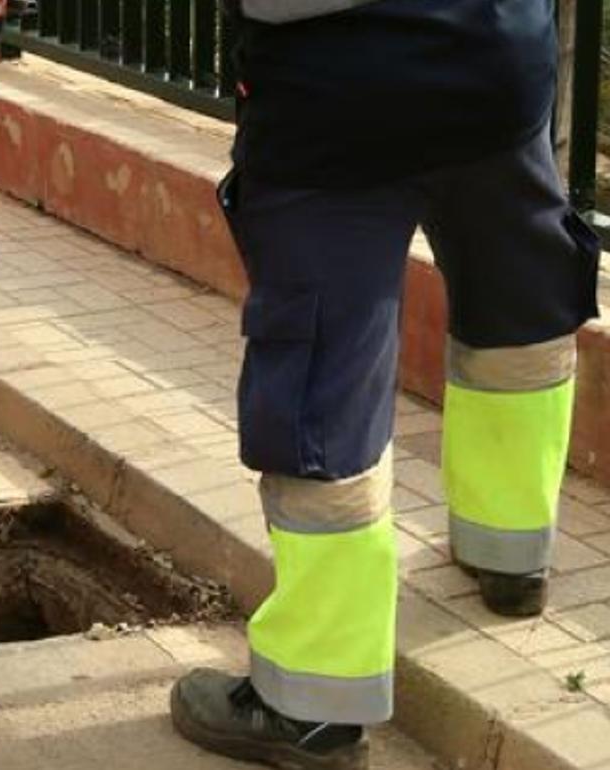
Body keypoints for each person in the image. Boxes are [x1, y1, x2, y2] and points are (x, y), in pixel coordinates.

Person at [170, 2, 599, 768]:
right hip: (494, 65)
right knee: (517, 312)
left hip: (335, 95)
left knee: (323, 379)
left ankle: (312, 704)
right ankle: (511, 558)